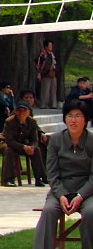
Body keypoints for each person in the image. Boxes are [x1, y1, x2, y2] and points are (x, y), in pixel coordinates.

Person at [33, 101, 93, 249]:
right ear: (65, 119)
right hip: (60, 190)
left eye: (78, 116)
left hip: (87, 191)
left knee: (91, 212)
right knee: (49, 211)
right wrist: (61, 195)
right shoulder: (55, 140)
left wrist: (80, 196)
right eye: (70, 116)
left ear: (85, 120)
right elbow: (52, 173)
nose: (73, 120)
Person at [0, 102, 47, 187]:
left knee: (37, 150)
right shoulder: (9, 121)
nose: (21, 113)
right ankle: (8, 179)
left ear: (29, 112)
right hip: (5, 142)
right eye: (19, 111)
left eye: (24, 111)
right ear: (16, 112)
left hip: (22, 143)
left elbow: (34, 139)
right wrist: (23, 147)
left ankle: (39, 178)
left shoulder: (32, 122)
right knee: (9, 150)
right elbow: (9, 140)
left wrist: (32, 147)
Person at [37, 41, 60, 110]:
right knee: (45, 90)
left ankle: (53, 104)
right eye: (50, 46)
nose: (51, 47)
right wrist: (39, 73)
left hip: (52, 74)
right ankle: (43, 104)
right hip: (45, 74)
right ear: (46, 46)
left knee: (53, 89)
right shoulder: (43, 54)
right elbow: (39, 64)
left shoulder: (52, 54)